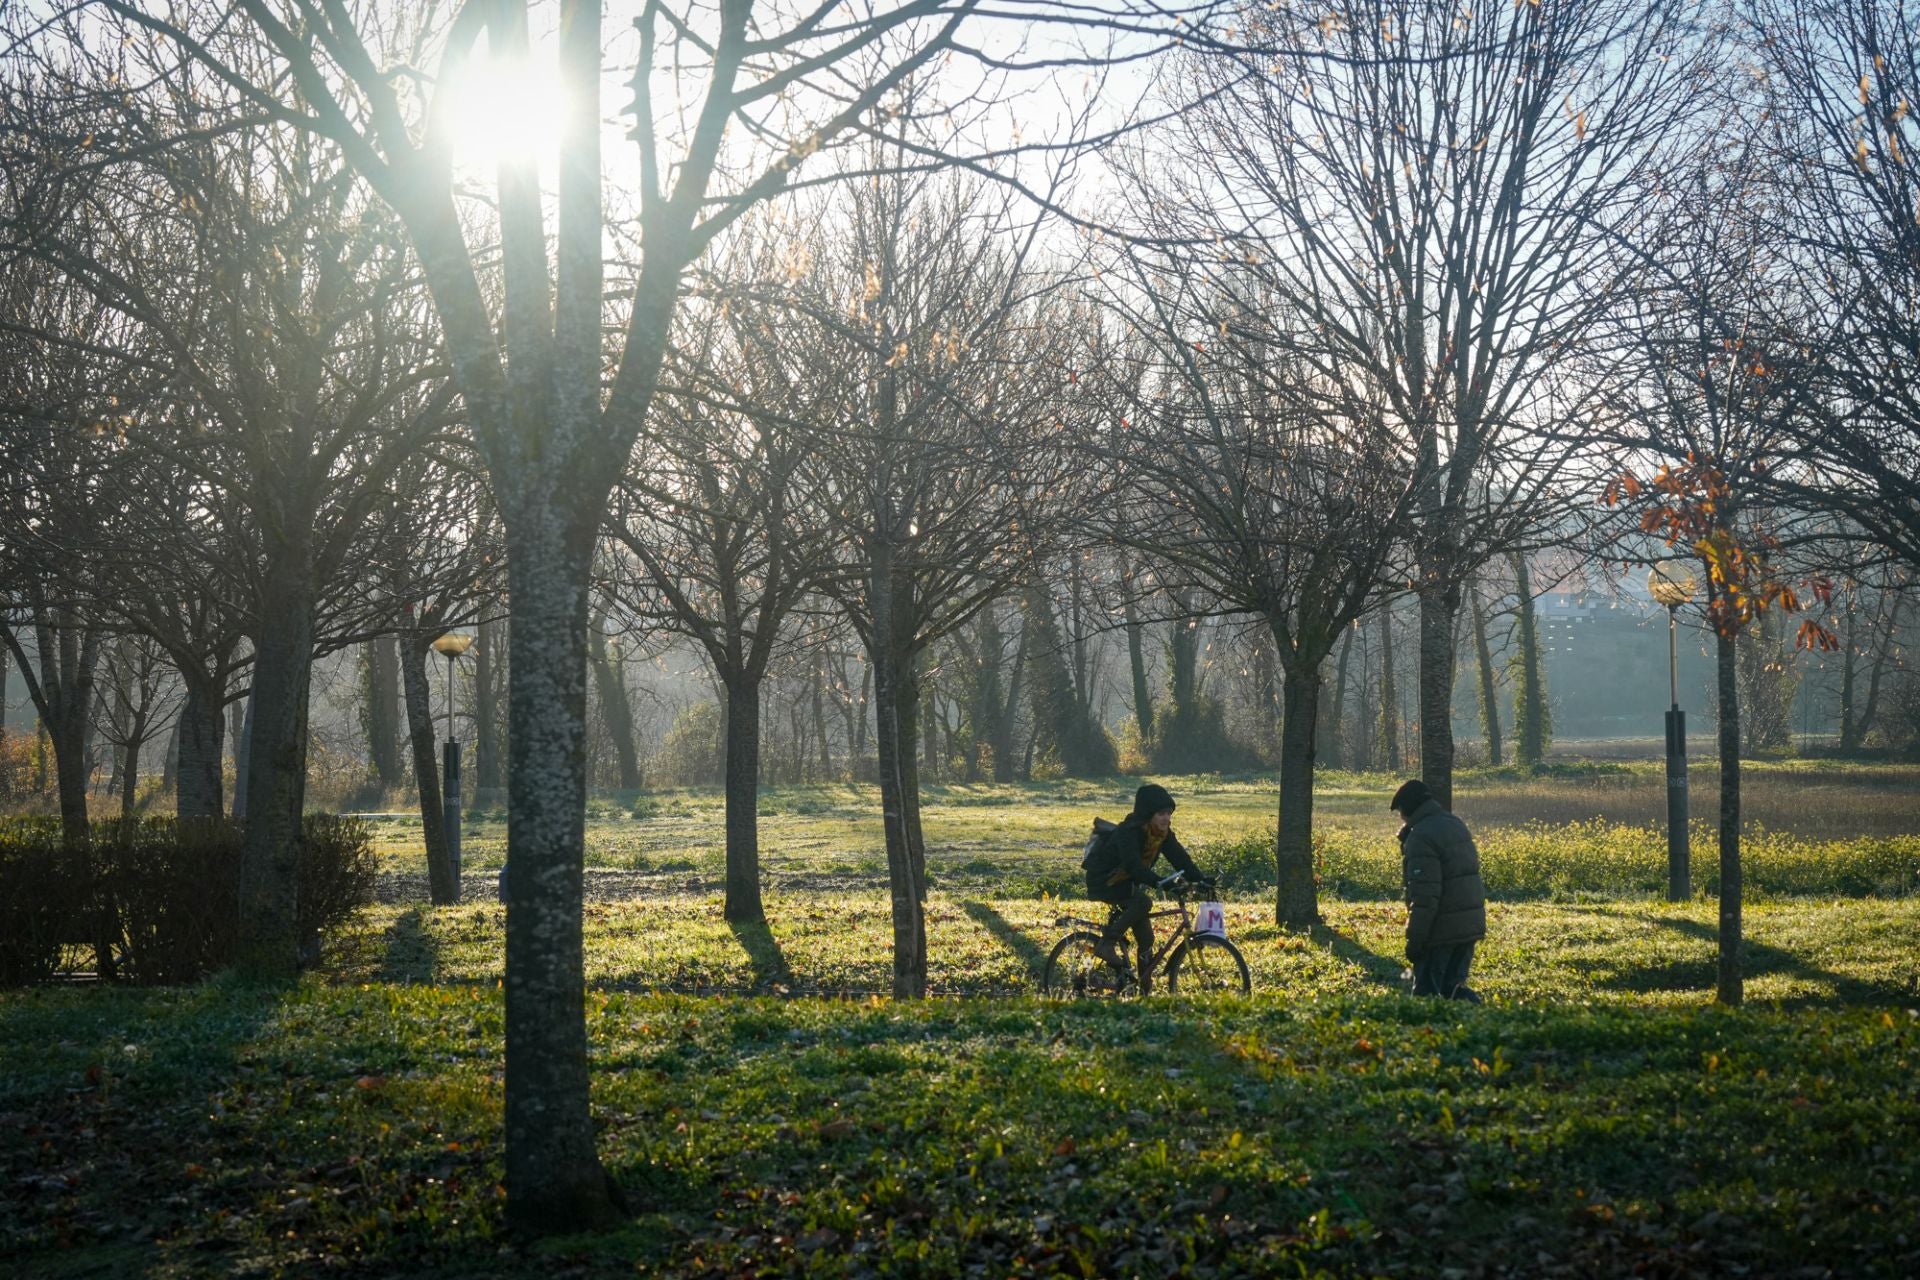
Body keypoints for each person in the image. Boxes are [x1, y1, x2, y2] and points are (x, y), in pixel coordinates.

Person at [1085, 783, 1212, 993]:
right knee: (1143, 902)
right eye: (1161, 813)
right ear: (1148, 814)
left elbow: (1180, 859)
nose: (1166, 818)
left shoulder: (1161, 834)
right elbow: (1133, 867)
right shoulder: (1129, 832)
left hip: (1125, 883)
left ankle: (1144, 985)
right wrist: (1162, 882)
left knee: (1147, 938)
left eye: (1169, 813)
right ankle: (1107, 944)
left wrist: (1200, 879)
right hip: (1105, 881)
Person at [1392, 778, 1487, 1002]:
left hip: (1440, 931)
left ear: (1407, 809)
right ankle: (1476, 1025)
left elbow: (1425, 897)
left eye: (1400, 812)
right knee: (1452, 990)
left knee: (1427, 997)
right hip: (1468, 926)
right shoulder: (1455, 823)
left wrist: (1415, 941)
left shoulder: (1421, 837)